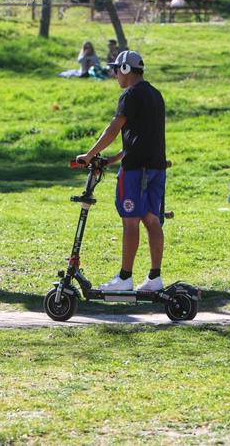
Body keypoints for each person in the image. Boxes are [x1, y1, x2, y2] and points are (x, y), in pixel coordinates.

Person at [76, 50, 168, 292]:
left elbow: (113, 129)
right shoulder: (155, 95)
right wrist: (112, 159)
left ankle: (125, 279)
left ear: (126, 70)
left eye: (116, 69)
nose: (115, 74)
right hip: (157, 168)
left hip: (136, 172)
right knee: (151, 220)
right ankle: (154, 278)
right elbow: (141, 138)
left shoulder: (130, 95)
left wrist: (88, 155)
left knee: (130, 222)